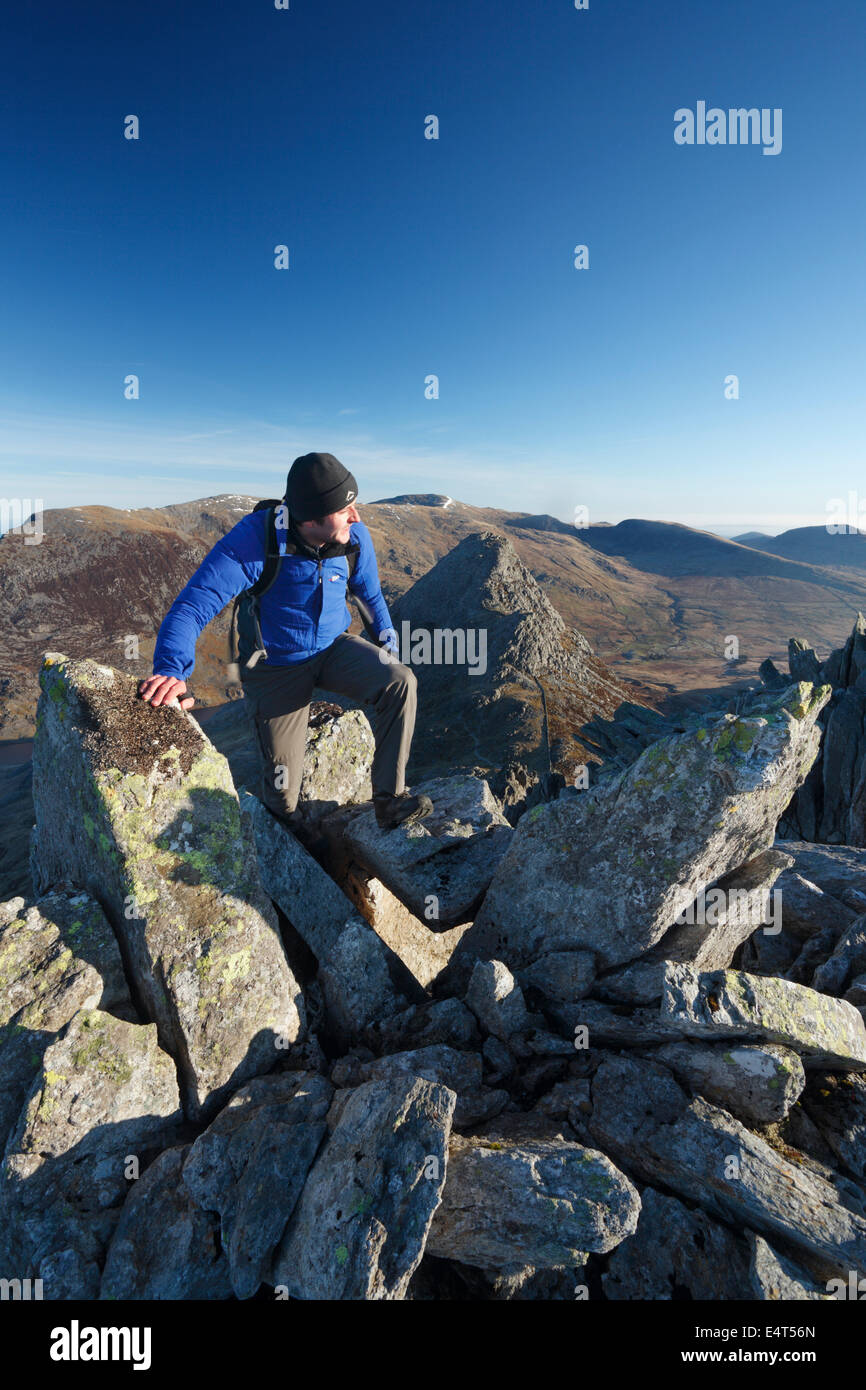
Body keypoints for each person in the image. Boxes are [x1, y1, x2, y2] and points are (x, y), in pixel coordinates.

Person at [137, 452, 433, 831]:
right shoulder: (254, 541)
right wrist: (171, 670)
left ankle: (390, 802)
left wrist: (388, 648)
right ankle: (291, 835)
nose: (357, 517)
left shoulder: (353, 538)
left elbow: (369, 598)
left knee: (400, 681)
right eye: (346, 510)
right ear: (311, 519)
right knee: (283, 794)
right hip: (274, 668)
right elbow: (191, 608)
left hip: (332, 647)